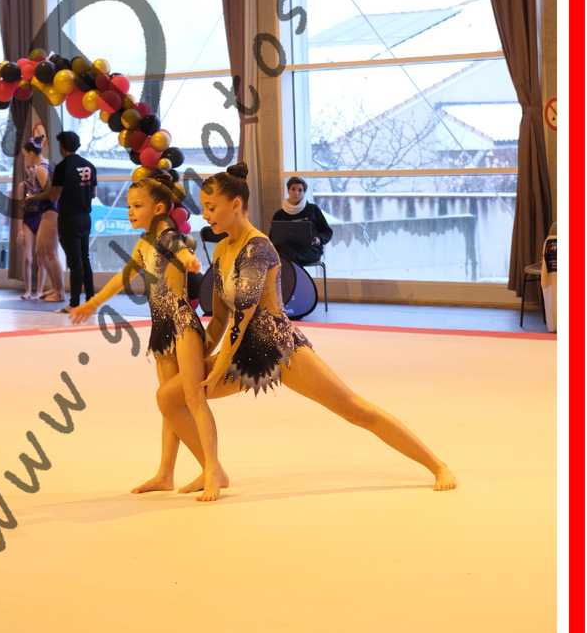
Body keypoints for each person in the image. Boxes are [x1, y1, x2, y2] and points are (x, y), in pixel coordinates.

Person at [156, 163, 457, 494]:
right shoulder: (223, 250)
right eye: (204, 207)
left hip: (281, 349)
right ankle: (212, 470)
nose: (206, 214)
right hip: (243, 353)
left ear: (236, 204)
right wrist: (197, 358)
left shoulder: (258, 248)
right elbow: (219, 320)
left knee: (355, 410)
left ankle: (437, 465)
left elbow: (242, 317)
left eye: (212, 207)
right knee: (170, 396)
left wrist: (219, 366)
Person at [69, 171, 227, 501]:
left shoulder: (167, 233)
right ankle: (166, 473)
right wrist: (92, 304)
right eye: (129, 205)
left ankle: (213, 469)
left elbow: (179, 248)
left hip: (182, 324)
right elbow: (122, 278)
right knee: (170, 406)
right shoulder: (144, 243)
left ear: (158, 209)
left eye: (137, 205)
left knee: (193, 399)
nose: (130, 211)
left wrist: (189, 259)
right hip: (161, 328)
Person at [29, 130, 97, 312]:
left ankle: (74, 304)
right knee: (85, 259)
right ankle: (91, 300)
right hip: (85, 218)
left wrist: (34, 197)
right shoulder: (90, 166)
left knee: (74, 262)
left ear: (63, 147)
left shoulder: (62, 167)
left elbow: (53, 196)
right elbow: (93, 193)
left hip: (69, 218)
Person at [17, 139, 61, 301]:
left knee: (49, 253)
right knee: (42, 252)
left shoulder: (41, 169)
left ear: (30, 153)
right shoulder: (45, 165)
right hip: (46, 212)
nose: (25, 159)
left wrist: (33, 197)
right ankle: (56, 288)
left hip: (50, 212)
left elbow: (52, 195)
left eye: (25, 155)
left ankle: (59, 290)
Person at [271, 176, 333, 266]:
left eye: (300, 190)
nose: (296, 193)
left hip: (309, 249)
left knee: (287, 257)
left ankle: (295, 275)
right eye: (293, 189)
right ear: (288, 191)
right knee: (284, 253)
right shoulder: (279, 214)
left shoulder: (313, 209)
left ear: (304, 192)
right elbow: (272, 237)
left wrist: (319, 239)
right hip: (287, 249)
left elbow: (327, 231)